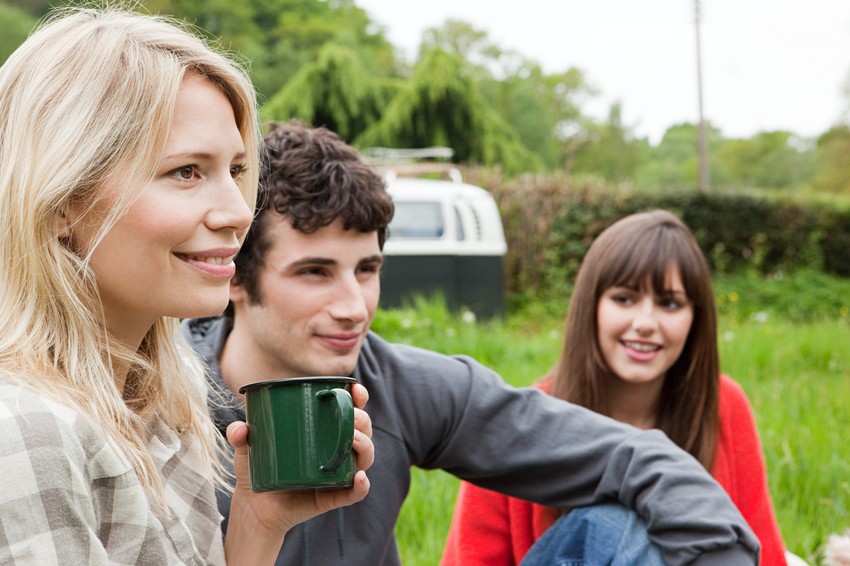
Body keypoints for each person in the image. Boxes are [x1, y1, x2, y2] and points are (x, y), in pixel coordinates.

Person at [183, 120, 761, 566]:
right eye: (315, 272)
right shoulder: (159, 397)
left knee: (615, 529)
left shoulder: (397, 385)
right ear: (235, 276)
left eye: (367, 269)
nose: (354, 307)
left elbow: (638, 458)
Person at [0, 9, 373, 565]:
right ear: (60, 202)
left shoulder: (164, 399)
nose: (237, 212)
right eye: (186, 172)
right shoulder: (27, 432)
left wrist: (257, 525)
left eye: (237, 170)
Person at [441, 210, 788, 566]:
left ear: (695, 319)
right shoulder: (519, 423)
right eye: (624, 298)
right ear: (591, 306)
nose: (645, 323)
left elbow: (763, 551)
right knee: (622, 520)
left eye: (670, 304)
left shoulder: (723, 405)